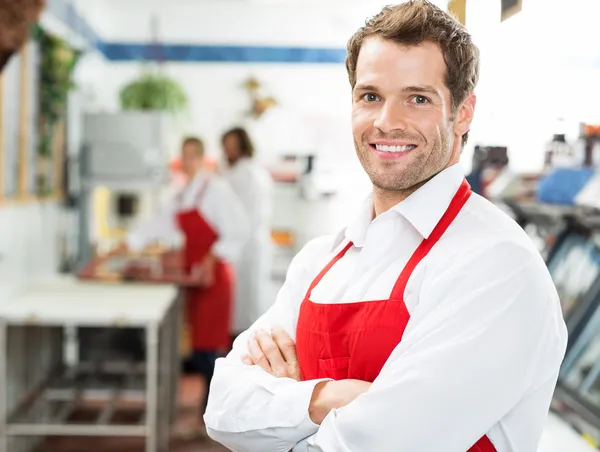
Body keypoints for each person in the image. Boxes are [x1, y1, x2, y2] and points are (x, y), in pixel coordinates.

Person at [204, 2, 568, 451]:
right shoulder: (320, 261)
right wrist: (326, 398)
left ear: (464, 112)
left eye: (418, 98)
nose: (386, 122)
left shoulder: (495, 265)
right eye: (370, 96)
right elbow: (222, 408)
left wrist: (282, 411)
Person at [125, 136, 249, 435]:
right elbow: (159, 223)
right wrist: (128, 243)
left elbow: (239, 228)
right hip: (195, 283)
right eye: (184, 156)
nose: (188, 161)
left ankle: (226, 414)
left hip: (215, 280)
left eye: (193, 155)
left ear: (202, 158)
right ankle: (212, 418)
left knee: (207, 352)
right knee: (200, 350)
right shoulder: (183, 196)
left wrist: (213, 255)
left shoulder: (215, 189)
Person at [221, 127, 274, 340]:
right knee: (251, 303)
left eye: (232, 145)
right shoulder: (255, 170)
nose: (228, 150)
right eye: (226, 145)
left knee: (244, 304)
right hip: (254, 244)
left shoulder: (241, 174)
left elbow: (230, 214)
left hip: (245, 246)